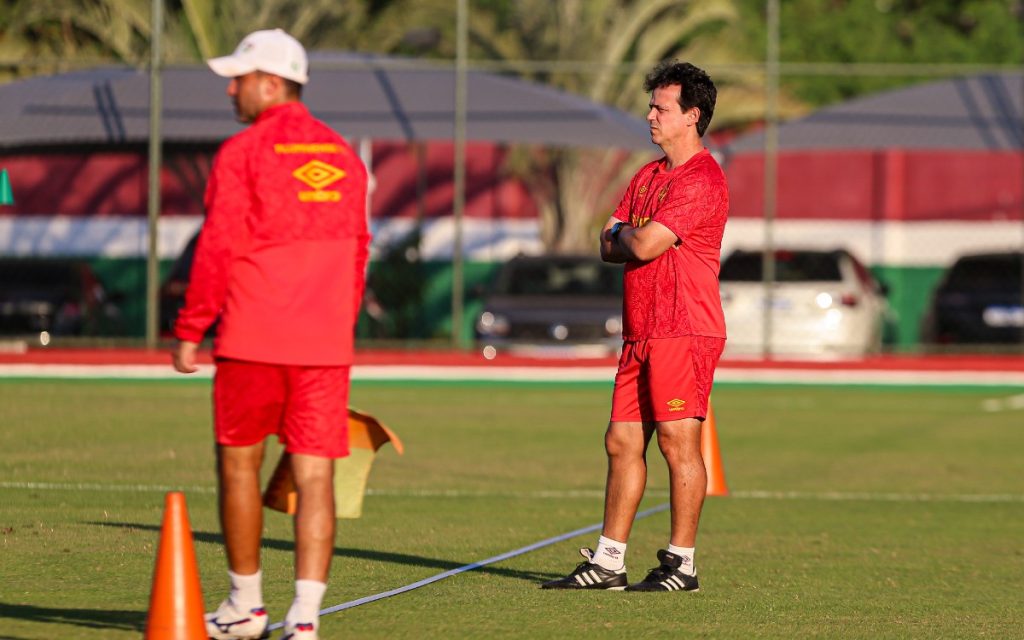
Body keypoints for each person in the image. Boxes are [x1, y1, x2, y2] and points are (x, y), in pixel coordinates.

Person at [171, 28, 369, 640]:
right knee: (315, 479)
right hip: (324, 345)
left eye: (239, 78)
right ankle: (304, 621)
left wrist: (190, 328)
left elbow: (218, 246)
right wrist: (338, 324)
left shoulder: (244, 152)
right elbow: (359, 253)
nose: (231, 89)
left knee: (238, 467)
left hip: (253, 337)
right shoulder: (344, 155)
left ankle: (245, 607)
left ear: (270, 82)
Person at [542, 61, 728, 592]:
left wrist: (628, 232)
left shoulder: (703, 179)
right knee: (621, 442)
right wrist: (629, 233)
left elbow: (639, 243)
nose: (650, 116)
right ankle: (608, 561)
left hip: (684, 328)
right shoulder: (647, 175)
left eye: (660, 108)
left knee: (676, 444)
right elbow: (605, 245)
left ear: (691, 116)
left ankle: (681, 564)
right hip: (640, 330)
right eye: (651, 106)